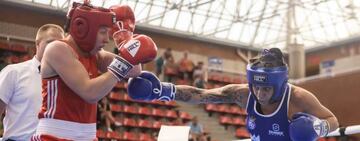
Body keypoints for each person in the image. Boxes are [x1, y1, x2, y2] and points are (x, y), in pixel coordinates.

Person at [127, 48, 339, 141]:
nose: (259, 92)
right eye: (256, 86)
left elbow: (333, 120)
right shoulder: (243, 95)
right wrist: (163, 91)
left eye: (266, 88)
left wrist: (319, 127)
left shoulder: (298, 98)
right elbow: (200, 95)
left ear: (281, 84)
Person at [31, 1, 157, 140]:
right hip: (55, 136)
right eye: (103, 32)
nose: (107, 39)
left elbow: (134, 70)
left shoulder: (95, 55)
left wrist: (125, 40)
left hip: (88, 136)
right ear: (84, 29)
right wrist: (122, 62)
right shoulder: (58, 49)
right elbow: (90, 92)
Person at [0, 24, 64, 141]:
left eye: (60, 45)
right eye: (50, 43)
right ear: (37, 44)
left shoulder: (67, 79)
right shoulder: (14, 72)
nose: (55, 48)